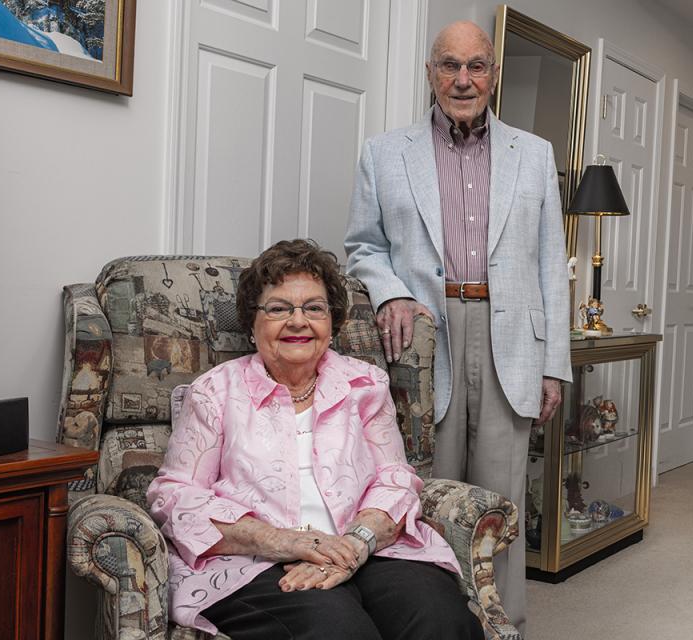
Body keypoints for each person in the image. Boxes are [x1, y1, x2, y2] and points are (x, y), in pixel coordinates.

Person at [344, 20, 572, 634]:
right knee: (427, 496)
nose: (463, 79)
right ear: (430, 73)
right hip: (425, 337)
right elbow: (363, 248)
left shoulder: (536, 152)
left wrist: (556, 363)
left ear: (494, 74)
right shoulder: (385, 152)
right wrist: (390, 294)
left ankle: (505, 624)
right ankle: (436, 623)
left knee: (500, 496)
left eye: (477, 66)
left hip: (512, 342)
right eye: (450, 65)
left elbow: (552, 265)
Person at [147, 239, 483, 640]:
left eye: (313, 308)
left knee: (440, 620)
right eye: (278, 308)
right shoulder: (215, 392)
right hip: (256, 561)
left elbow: (395, 478)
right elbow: (174, 496)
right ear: (252, 324)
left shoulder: (365, 383)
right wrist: (283, 541)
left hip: (367, 549)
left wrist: (356, 544)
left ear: (332, 321)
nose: (297, 321)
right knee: (337, 629)